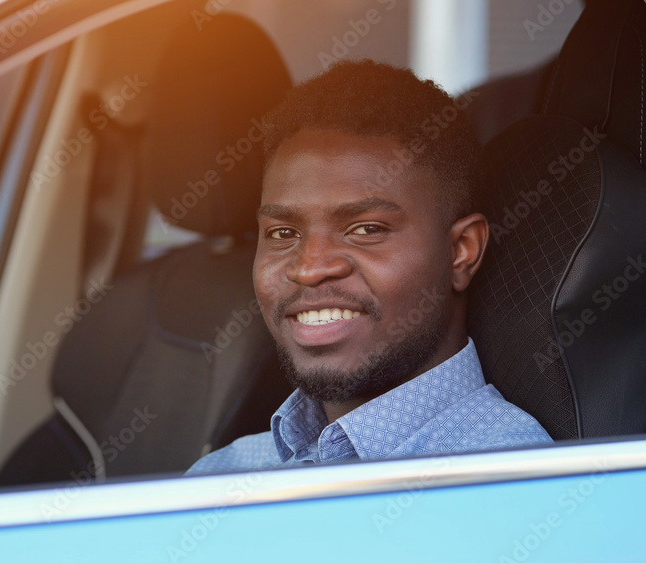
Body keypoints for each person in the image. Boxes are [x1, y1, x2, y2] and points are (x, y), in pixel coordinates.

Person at [186, 60, 552, 476]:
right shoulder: (218, 475)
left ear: (461, 251)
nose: (309, 268)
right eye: (284, 233)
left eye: (366, 229)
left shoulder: (508, 484)